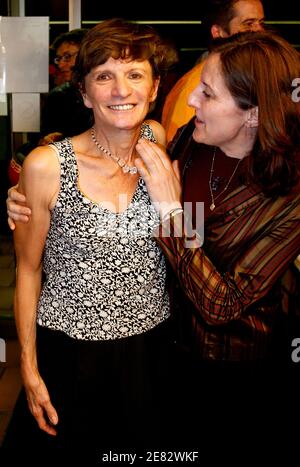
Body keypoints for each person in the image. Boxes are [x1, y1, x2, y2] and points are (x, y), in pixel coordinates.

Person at [1, 18, 175, 463]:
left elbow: (179, 231)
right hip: (72, 354)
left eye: (135, 74)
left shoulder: (157, 140)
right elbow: (27, 268)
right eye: (104, 76)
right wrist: (29, 367)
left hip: (149, 348)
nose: (121, 90)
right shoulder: (48, 166)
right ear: (84, 93)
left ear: (154, 89)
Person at [161, 0, 265, 144]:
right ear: (218, 32)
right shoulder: (193, 87)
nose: (259, 30)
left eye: (261, 23)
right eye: (248, 23)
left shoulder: (258, 76)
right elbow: (182, 154)